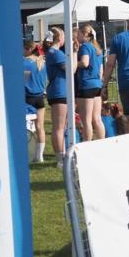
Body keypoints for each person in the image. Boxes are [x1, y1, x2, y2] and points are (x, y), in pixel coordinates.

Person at [44, 27, 75, 168]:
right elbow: (72, 70)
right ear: (59, 38)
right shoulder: (56, 54)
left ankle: (62, 156)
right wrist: (75, 52)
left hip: (58, 91)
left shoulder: (52, 53)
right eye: (63, 36)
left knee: (61, 126)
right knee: (59, 127)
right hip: (59, 92)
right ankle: (61, 159)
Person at [75, 25, 105, 142]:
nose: (77, 37)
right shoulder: (98, 48)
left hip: (86, 85)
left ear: (85, 34)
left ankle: (87, 144)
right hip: (97, 85)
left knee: (86, 120)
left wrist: (72, 62)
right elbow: (101, 69)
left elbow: (85, 63)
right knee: (97, 118)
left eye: (78, 34)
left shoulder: (85, 47)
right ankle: (102, 142)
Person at [23, 39, 48, 162]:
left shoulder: (24, 63)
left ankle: (27, 153)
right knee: (40, 127)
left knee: (26, 127)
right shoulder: (41, 63)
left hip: (27, 98)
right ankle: (40, 156)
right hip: (40, 98)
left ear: (27, 49)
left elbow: (23, 81)